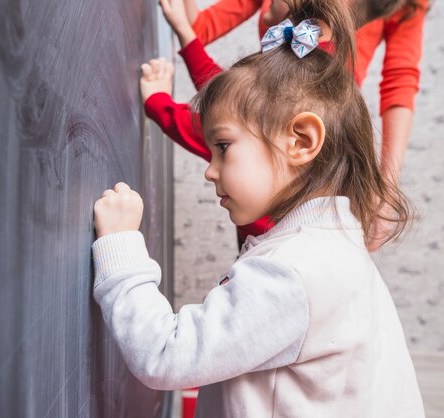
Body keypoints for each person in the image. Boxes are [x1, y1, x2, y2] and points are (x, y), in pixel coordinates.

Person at [91, 1, 423, 416]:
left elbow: (166, 353)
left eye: (223, 148)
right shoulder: (330, 245)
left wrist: (120, 246)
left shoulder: (293, 273)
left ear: (301, 141)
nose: (210, 171)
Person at [144, 0, 428, 250]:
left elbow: (228, 123)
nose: (266, 6)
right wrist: (186, 33)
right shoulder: (294, 53)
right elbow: (233, 104)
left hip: (270, 231)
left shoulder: (307, 85)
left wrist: (158, 104)